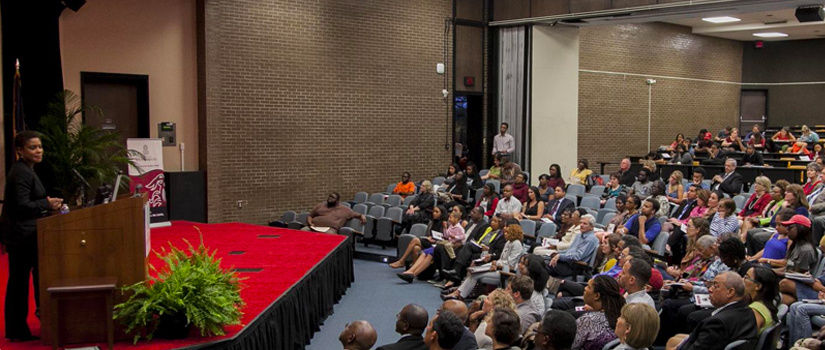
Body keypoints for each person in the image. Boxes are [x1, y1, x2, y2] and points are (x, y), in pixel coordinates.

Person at [0, 131, 63, 342]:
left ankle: (18, 328)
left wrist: (46, 203)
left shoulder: (26, 170)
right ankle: (17, 330)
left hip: (25, 233)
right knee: (19, 282)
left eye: (40, 147)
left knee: (20, 281)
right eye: (33, 147)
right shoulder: (21, 172)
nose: (39, 151)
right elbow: (21, 206)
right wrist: (46, 204)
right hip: (22, 236)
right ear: (20, 151)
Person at [668, 272, 758, 350]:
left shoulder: (717, 324)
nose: (710, 290)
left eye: (716, 286)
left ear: (730, 292)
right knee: (674, 340)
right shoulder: (748, 311)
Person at [442, 224, 524, 301]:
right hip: (497, 267)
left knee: (475, 274)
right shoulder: (508, 242)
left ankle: (459, 294)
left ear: (513, 233)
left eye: (507, 232)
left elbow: (511, 263)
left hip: (504, 272)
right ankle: (458, 292)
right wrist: (495, 263)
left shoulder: (517, 244)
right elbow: (501, 259)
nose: (505, 234)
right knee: (473, 270)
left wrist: (496, 264)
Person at [397, 210, 464, 283]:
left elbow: (462, 238)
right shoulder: (450, 226)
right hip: (442, 243)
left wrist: (454, 237)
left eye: (450, 218)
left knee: (429, 254)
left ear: (456, 219)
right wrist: (445, 228)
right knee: (424, 252)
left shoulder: (459, 228)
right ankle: (410, 271)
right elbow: (446, 235)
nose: (449, 219)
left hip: (448, 246)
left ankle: (413, 274)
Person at [573, 275, 625, 350]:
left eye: (588, 287)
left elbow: (571, 346)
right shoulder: (619, 316)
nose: (585, 288)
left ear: (597, 295)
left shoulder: (588, 320)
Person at [391, 205, 447, 269]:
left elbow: (446, 238)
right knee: (416, 248)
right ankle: (413, 270)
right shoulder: (431, 223)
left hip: (437, 245)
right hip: (429, 242)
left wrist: (437, 239)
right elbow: (427, 235)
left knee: (415, 240)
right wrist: (428, 238)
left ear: (442, 214)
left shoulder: (445, 224)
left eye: (437, 212)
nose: (434, 213)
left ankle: (402, 261)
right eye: (434, 211)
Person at [778, 215, 818, 306]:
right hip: (792, 285)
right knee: (784, 300)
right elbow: (787, 267)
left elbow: (796, 275)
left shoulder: (806, 250)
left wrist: (773, 272)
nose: (787, 230)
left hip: (805, 287)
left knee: (784, 283)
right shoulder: (795, 245)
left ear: (801, 229)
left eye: (790, 228)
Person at [743, 266, 778, 335]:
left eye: (746, 277)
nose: (742, 279)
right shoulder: (764, 305)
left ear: (758, 286)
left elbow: (747, 338)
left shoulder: (755, 310)